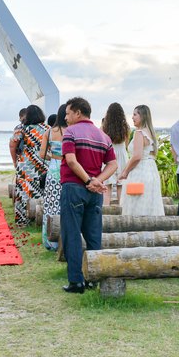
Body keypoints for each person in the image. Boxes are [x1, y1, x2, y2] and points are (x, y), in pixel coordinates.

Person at [60, 97, 117, 293]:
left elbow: (71, 161)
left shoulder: (71, 132)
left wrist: (88, 181)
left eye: (68, 113)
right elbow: (113, 164)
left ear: (78, 113)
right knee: (94, 235)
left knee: (72, 234)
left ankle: (76, 281)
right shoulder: (103, 136)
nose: (66, 118)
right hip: (95, 193)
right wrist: (98, 180)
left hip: (74, 188)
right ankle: (94, 277)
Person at [118, 105, 165, 216]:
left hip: (140, 172)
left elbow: (137, 156)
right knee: (148, 203)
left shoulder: (139, 133)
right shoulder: (151, 133)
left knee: (136, 203)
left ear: (142, 116)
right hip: (151, 171)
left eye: (135, 114)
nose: (132, 117)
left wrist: (125, 172)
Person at [12, 105, 49, 227]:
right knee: (42, 191)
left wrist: (15, 161)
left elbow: (12, 145)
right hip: (43, 164)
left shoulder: (22, 129)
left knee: (24, 192)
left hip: (25, 165)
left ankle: (23, 220)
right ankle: (42, 220)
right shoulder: (48, 129)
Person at [38, 104, 67, 251]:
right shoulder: (71, 131)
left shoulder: (49, 132)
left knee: (51, 203)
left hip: (54, 168)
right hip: (68, 167)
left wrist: (53, 157)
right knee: (65, 203)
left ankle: (50, 240)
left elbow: (41, 154)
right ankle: (65, 238)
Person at [102, 103, 130, 205]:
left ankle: (105, 211)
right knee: (121, 185)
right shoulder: (125, 127)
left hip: (109, 156)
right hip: (122, 155)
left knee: (107, 186)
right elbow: (126, 144)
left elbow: (103, 143)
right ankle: (122, 210)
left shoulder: (104, 127)